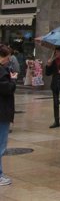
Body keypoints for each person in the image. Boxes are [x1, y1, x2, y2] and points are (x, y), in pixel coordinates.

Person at [0, 44, 18, 186]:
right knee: (1, 145)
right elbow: (7, 89)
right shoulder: (1, 72)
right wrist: (13, 80)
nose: (8, 60)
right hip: (2, 112)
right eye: (6, 57)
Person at [44, 47, 60, 128]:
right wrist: (48, 65)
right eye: (55, 52)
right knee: (55, 102)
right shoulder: (53, 61)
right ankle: (56, 121)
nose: (56, 54)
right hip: (55, 83)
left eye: (58, 52)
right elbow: (48, 73)